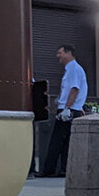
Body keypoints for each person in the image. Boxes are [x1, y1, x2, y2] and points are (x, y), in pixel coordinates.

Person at [39, 44, 89, 177]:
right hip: (72, 109)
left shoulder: (74, 69)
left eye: (60, 53)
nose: (58, 56)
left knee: (57, 141)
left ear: (68, 53)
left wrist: (67, 108)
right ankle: (64, 169)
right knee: (66, 142)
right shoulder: (72, 69)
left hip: (68, 111)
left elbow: (74, 89)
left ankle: (49, 170)